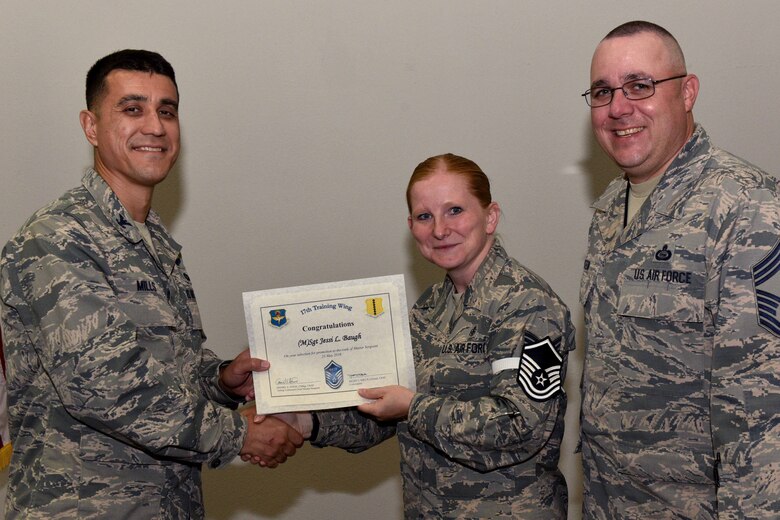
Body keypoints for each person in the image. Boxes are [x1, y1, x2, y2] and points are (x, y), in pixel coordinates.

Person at [0, 49, 303, 518]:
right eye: (132, 108)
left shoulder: (156, 243)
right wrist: (240, 433)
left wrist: (221, 380)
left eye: (168, 111)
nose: (155, 127)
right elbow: (105, 385)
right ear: (91, 126)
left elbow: (168, 369)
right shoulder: (58, 239)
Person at [267, 153, 574, 518]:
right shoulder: (429, 308)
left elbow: (519, 426)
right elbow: (384, 409)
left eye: (455, 210)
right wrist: (305, 422)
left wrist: (413, 407)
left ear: (490, 216)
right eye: (425, 216)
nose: (440, 230)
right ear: (411, 226)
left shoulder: (527, 304)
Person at [579, 21, 780, 518]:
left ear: (687, 92)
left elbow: (762, 418)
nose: (619, 107)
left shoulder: (747, 208)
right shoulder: (609, 209)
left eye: (640, 86)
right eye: (603, 92)